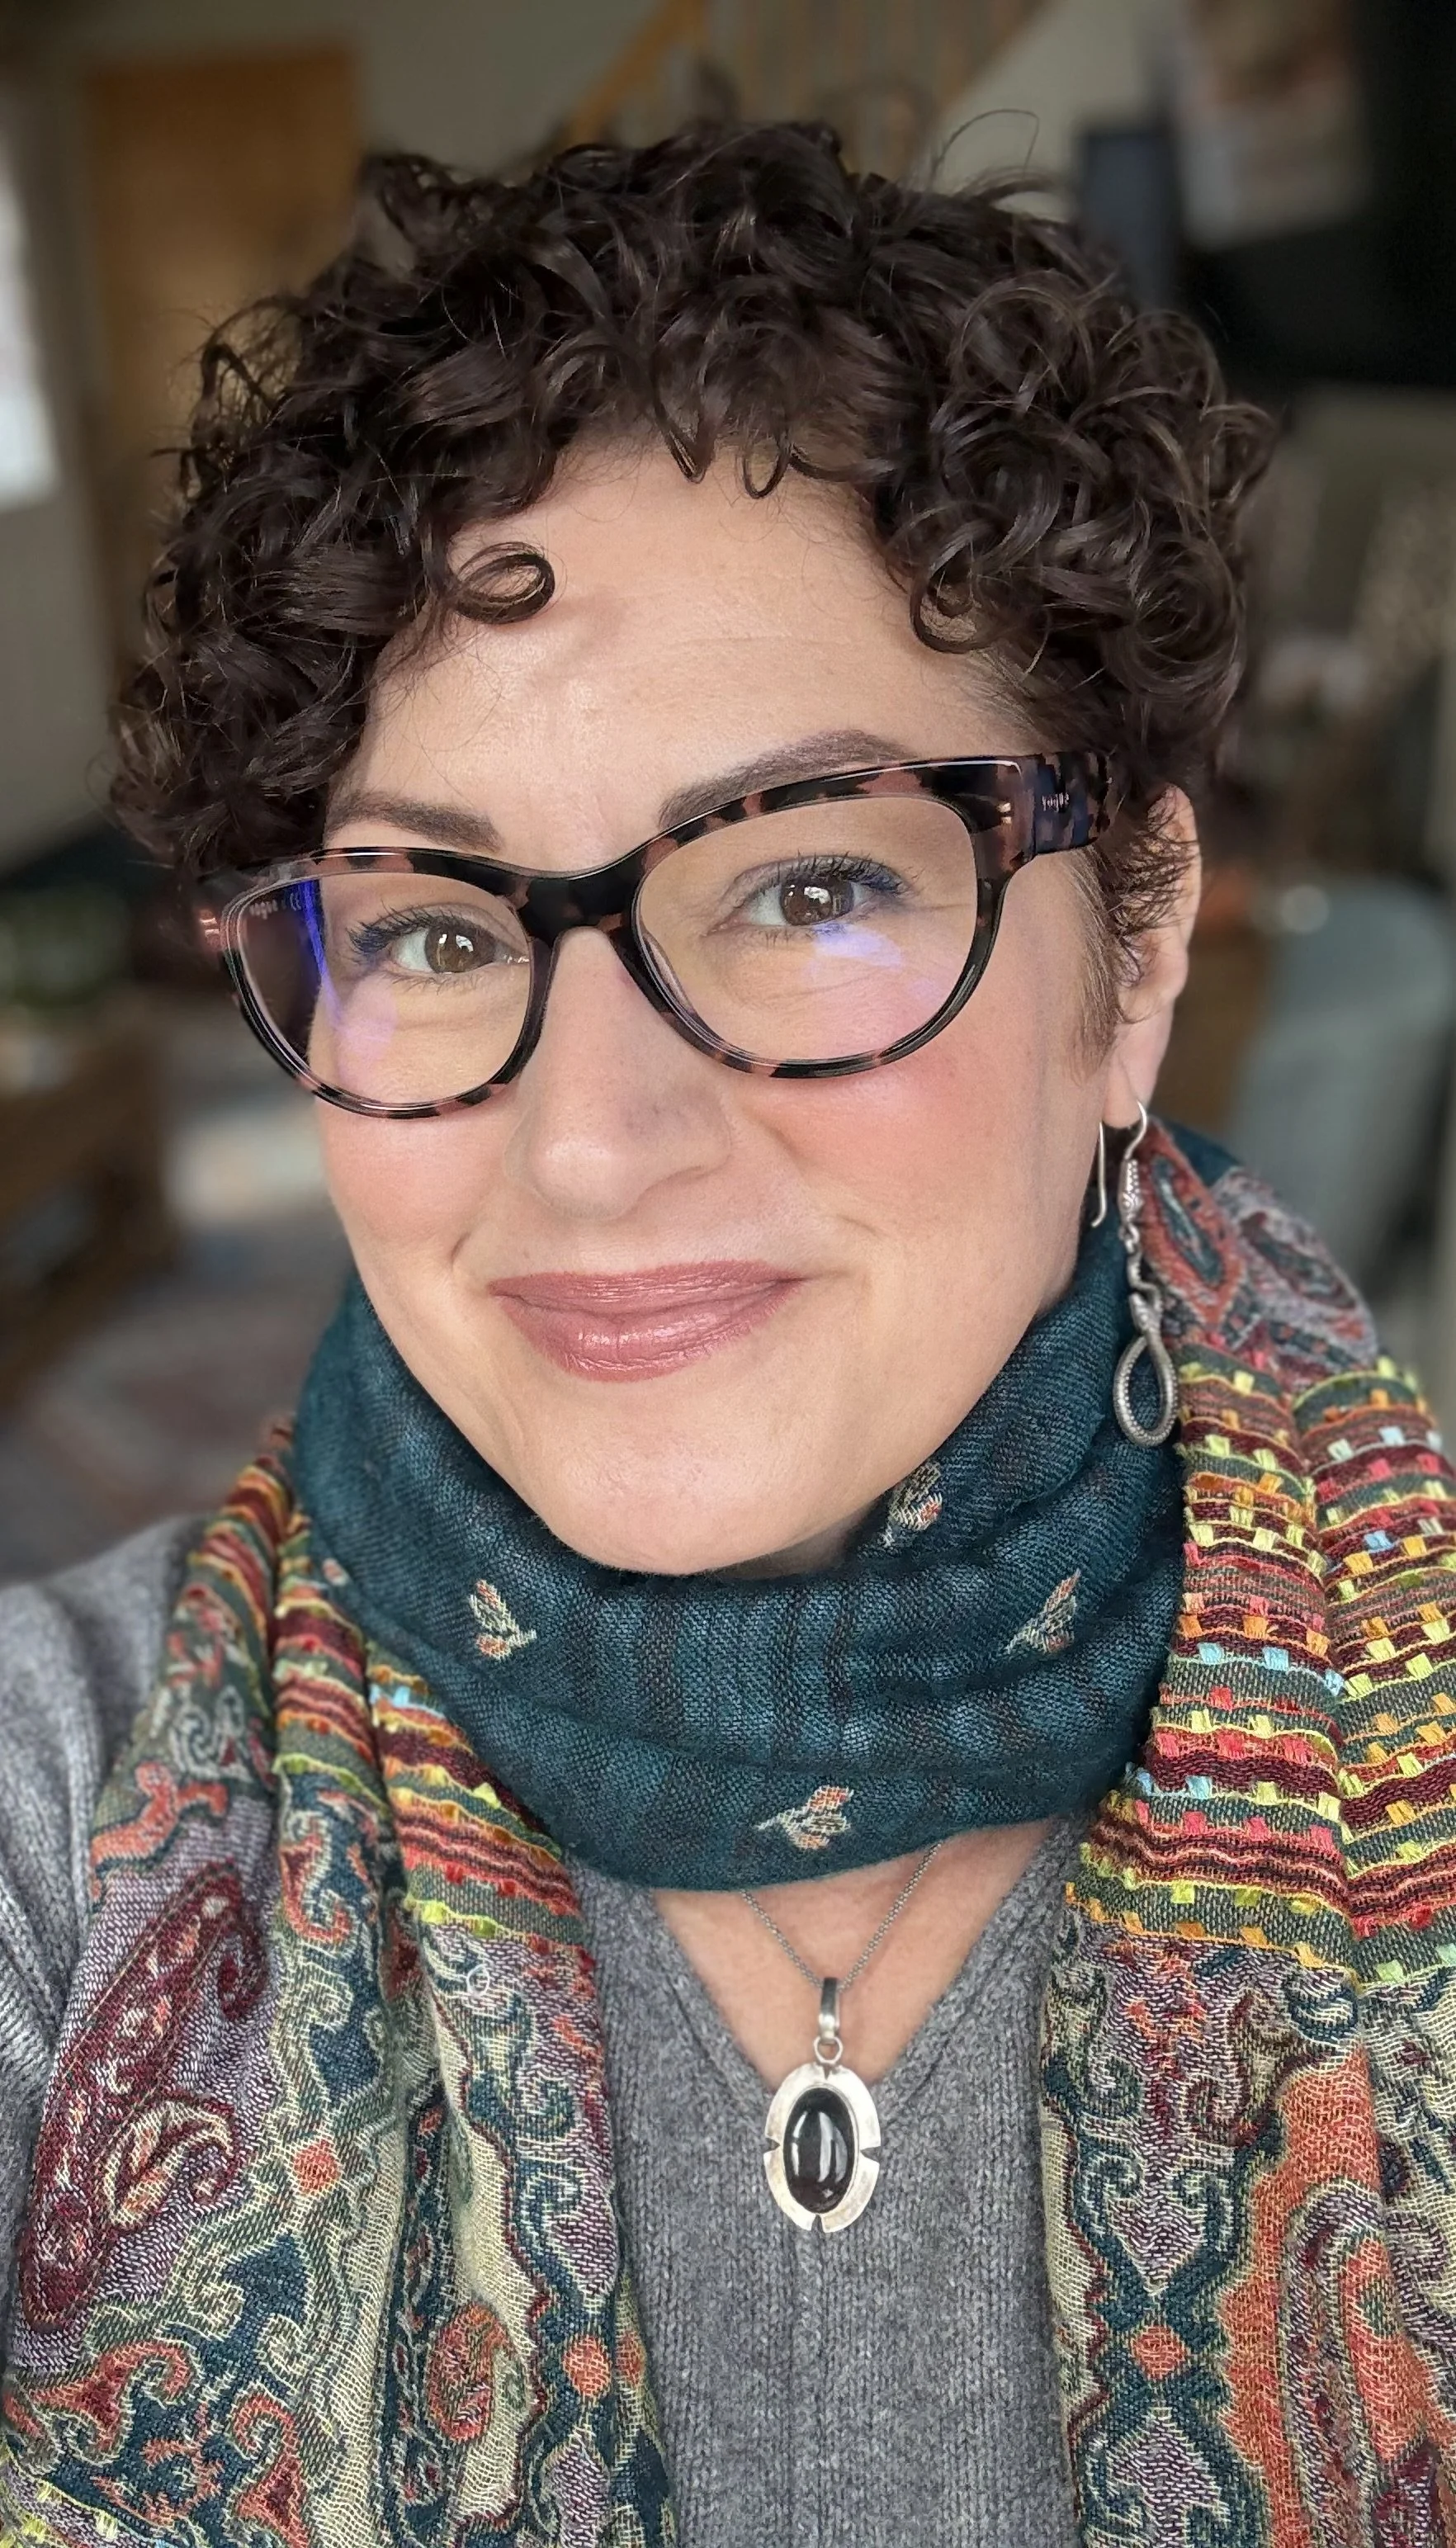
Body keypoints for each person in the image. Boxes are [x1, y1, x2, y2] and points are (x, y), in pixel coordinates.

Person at [2, 121, 1453, 2548]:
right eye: (441, 930)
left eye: (799, 880)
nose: (590, 1140)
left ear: (1145, 934)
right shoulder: (63, 1826)